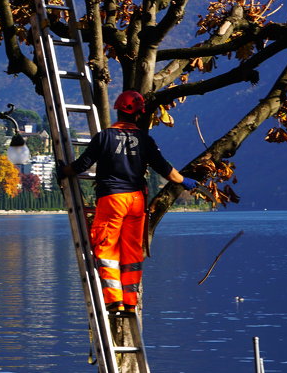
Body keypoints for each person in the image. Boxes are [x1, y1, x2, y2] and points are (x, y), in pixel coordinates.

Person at [61, 90, 197, 315]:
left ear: (117, 110)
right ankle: (131, 303)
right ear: (140, 114)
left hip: (113, 199)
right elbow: (165, 169)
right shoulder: (145, 140)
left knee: (106, 249)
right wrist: (186, 181)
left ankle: (114, 301)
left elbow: (81, 166)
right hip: (136, 201)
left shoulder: (104, 137)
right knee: (132, 252)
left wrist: (63, 170)